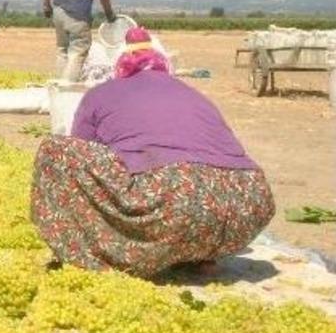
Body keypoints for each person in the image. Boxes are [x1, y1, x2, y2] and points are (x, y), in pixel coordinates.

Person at [30, 27, 274, 278]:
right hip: (248, 206)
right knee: (194, 185)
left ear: (121, 67)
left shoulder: (100, 94)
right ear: (163, 65)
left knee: (56, 151)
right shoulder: (192, 93)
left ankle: (89, 257)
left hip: (173, 202)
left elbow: (81, 148)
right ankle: (202, 256)